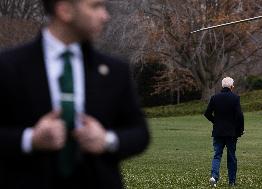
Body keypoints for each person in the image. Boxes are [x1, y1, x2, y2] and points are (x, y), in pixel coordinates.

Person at [0, 0, 150, 188]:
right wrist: (31, 139)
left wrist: (106, 140)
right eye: (95, 7)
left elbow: (140, 133)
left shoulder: (114, 70)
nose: (105, 16)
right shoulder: (8, 67)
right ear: (65, 10)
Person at [204, 77, 244, 187]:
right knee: (231, 156)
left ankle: (214, 177)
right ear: (232, 87)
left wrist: (215, 122)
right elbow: (239, 116)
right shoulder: (235, 98)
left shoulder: (214, 98)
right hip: (231, 133)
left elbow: (207, 113)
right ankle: (231, 181)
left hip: (218, 132)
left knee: (217, 155)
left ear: (222, 86)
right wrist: (240, 130)